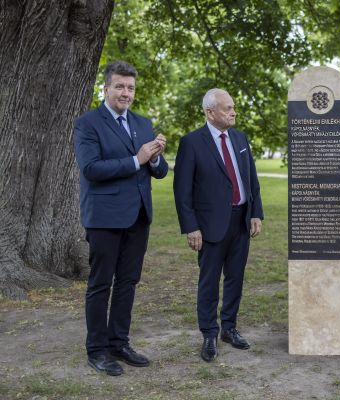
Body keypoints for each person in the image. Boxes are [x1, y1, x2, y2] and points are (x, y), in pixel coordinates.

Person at [74, 61, 168, 376]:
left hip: (138, 216)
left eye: (130, 88)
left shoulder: (143, 123)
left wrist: (154, 159)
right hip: (104, 218)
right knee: (100, 285)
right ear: (106, 89)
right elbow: (91, 169)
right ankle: (97, 350)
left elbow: (159, 171)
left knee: (128, 282)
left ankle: (119, 343)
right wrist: (137, 159)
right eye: (119, 86)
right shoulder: (88, 124)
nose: (126, 93)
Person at [173, 88, 264, 363]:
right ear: (210, 112)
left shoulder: (240, 138)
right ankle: (209, 333)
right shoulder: (192, 142)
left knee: (236, 278)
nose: (233, 112)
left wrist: (256, 213)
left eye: (233, 107)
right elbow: (182, 191)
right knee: (209, 281)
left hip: (241, 221)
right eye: (228, 108)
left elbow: (251, 179)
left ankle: (229, 328)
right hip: (209, 226)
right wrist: (191, 227)